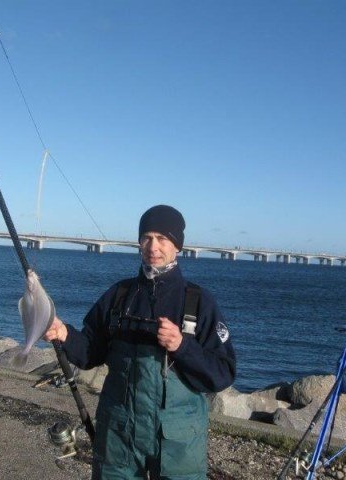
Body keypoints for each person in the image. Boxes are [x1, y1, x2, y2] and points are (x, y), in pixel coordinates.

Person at [44, 205, 236, 480]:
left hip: (179, 442)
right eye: (146, 237)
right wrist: (64, 334)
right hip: (118, 434)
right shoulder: (119, 294)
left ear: (178, 245)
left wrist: (182, 346)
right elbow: (90, 352)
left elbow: (223, 373)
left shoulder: (199, 301)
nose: (153, 246)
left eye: (162, 238)